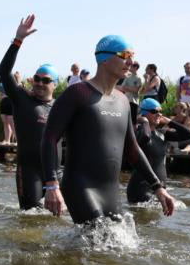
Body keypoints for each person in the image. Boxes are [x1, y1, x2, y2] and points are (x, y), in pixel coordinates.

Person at [41, 35, 176, 224]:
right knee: (99, 239)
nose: (131, 61)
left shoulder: (122, 101)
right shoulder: (77, 93)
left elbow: (133, 149)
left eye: (132, 56)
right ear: (103, 58)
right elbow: (49, 138)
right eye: (125, 55)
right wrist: (51, 185)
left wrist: (158, 187)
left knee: (114, 248)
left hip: (111, 192)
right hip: (80, 187)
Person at [0, 15, 59, 209]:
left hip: (55, 172)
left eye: (46, 80)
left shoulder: (61, 106)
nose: (40, 83)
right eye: (37, 78)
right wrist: (18, 40)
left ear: (55, 85)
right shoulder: (22, 98)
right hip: (29, 170)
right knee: (31, 217)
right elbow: (4, 72)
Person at [126, 98, 190, 203]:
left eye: (160, 111)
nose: (159, 114)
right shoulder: (139, 133)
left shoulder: (163, 134)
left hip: (160, 189)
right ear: (144, 113)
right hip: (140, 189)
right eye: (154, 111)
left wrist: (170, 122)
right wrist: (144, 121)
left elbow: (189, 134)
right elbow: (145, 136)